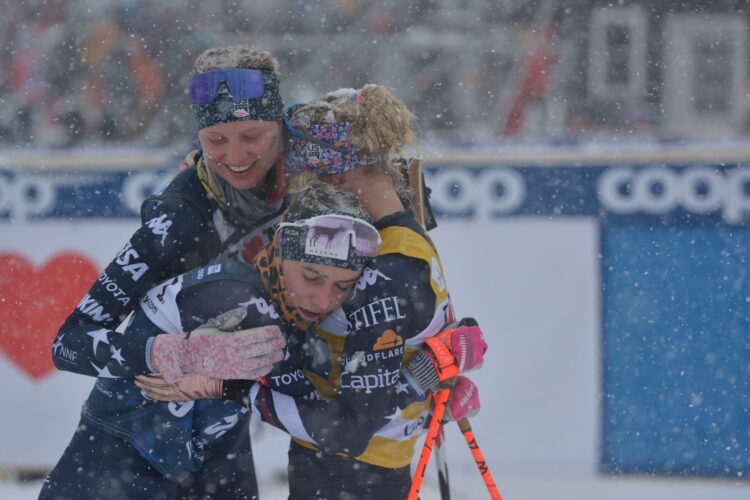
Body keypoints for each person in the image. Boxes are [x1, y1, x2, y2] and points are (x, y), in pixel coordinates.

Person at [140, 85, 488, 499]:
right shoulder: (398, 235)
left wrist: (223, 387)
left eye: (306, 184)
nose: (307, 202)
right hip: (350, 470)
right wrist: (428, 377)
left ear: (334, 177)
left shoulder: (384, 266)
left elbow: (351, 428)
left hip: (347, 474)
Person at [46, 44, 288, 498]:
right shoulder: (178, 220)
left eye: (251, 135)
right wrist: (171, 354)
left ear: (280, 126)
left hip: (221, 434)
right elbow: (68, 344)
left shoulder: (310, 175)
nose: (235, 155)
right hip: (130, 435)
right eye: (216, 140)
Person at [40, 181, 379, 500]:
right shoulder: (242, 304)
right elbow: (344, 433)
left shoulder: (274, 301)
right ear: (278, 249)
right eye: (311, 278)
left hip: (205, 462)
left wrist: (225, 388)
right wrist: (171, 354)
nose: (323, 301)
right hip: (115, 467)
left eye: (343, 287)